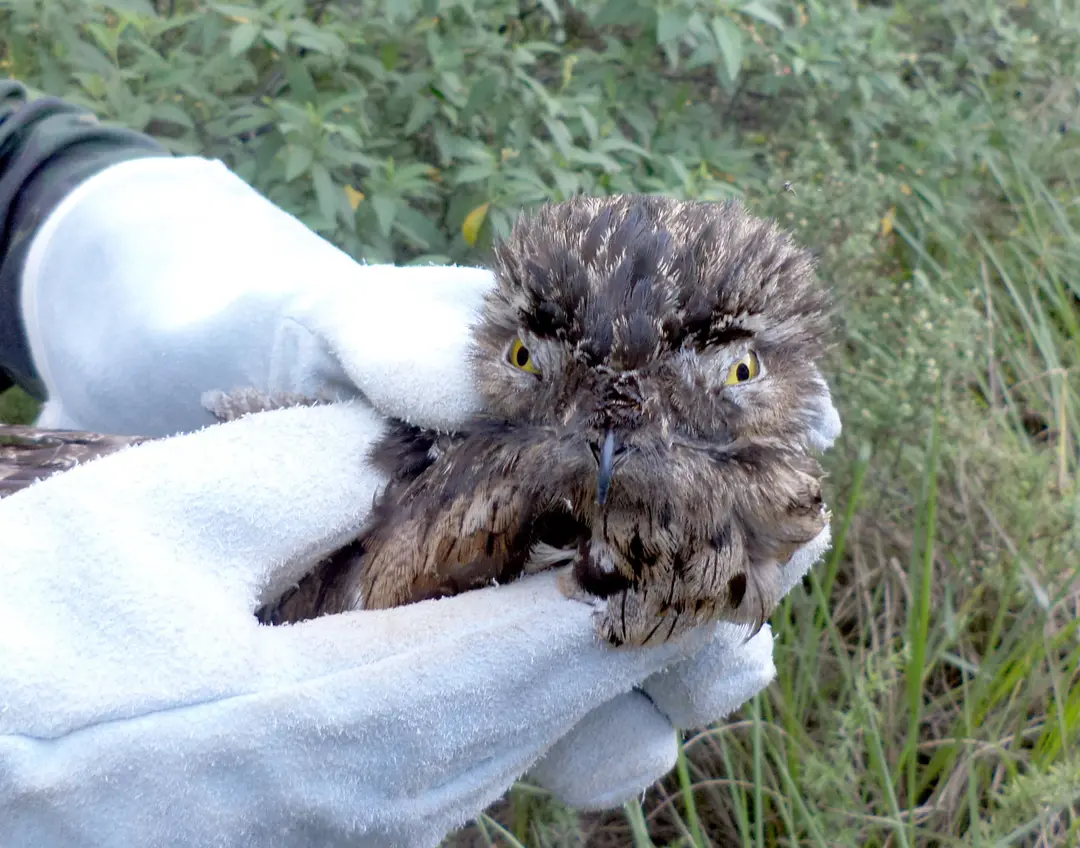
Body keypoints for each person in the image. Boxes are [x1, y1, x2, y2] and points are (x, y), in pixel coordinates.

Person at [0, 80, 841, 847]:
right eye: (527, 360)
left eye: (733, 374)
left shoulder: (750, 498)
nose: (614, 441)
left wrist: (114, 262)